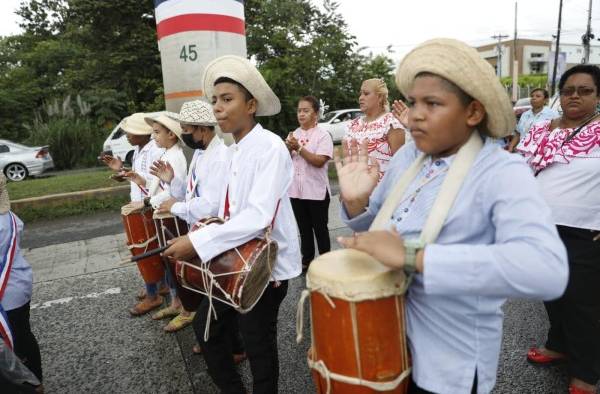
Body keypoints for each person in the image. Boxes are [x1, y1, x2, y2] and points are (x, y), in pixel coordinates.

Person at [335, 38, 568, 394]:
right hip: (383, 344)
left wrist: (415, 256)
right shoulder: (405, 158)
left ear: (473, 113)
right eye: (413, 102)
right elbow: (377, 234)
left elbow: (546, 270)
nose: (415, 114)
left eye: (433, 103)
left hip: (448, 365)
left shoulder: (501, 171)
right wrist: (355, 202)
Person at [164, 55, 301, 394]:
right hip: (233, 259)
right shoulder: (234, 149)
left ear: (251, 105)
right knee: (207, 332)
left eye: (227, 99)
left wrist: (197, 242)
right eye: (215, 101)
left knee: (258, 345)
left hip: (265, 266)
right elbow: (221, 206)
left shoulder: (269, 148)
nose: (218, 108)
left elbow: (257, 217)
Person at [517, 64, 600, 394]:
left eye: (585, 90)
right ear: (559, 95)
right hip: (538, 229)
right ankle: (559, 344)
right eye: (568, 91)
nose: (575, 96)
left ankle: (587, 372)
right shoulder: (540, 129)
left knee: (582, 303)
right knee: (551, 293)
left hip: (585, 232)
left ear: (597, 95)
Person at [101, 113, 166, 315]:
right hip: (143, 205)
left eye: (131, 132)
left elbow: (156, 182)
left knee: (145, 250)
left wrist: (134, 180)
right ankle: (160, 285)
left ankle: (153, 295)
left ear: (143, 133)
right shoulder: (140, 149)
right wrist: (123, 171)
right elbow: (141, 177)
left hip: (148, 206)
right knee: (152, 248)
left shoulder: (154, 150)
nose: (127, 136)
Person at [0, 173, 43, 392]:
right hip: (18, 285)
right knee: (23, 334)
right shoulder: (9, 217)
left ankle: (28, 385)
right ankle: (37, 382)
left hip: (6, 294)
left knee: (14, 340)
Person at [285, 96, 333, 270]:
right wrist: (287, 148)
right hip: (296, 191)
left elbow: (319, 161)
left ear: (316, 114)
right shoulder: (293, 134)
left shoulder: (323, 136)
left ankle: (326, 262)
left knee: (320, 229)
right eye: (299, 110)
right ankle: (307, 260)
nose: (301, 114)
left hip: (317, 191)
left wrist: (298, 148)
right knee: (304, 229)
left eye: (306, 110)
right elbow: (285, 161)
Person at [344, 78, 409, 178]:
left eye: (366, 94)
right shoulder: (353, 124)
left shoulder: (391, 123)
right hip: (353, 186)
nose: (360, 98)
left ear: (379, 97)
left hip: (381, 189)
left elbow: (400, 163)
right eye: (360, 94)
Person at [507, 88, 558, 152]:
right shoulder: (525, 115)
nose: (534, 98)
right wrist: (511, 147)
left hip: (540, 153)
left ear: (545, 100)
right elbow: (518, 133)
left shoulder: (553, 114)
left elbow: (557, 135)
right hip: (521, 152)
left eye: (538, 96)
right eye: (532, 96)